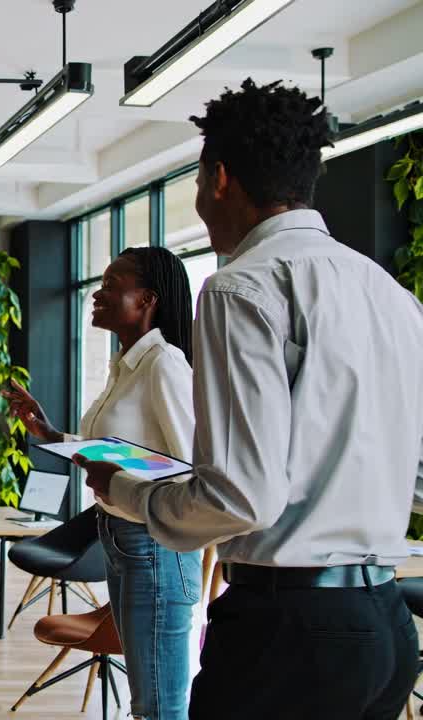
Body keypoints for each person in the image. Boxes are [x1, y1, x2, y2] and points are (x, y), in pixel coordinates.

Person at [75, 79, 423, 719]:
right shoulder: (390, 293)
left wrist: (120, 489)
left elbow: (240, 496)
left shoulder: (242, 289)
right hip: (385, 625)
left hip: (289, 631)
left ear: (220, 178)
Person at [4, 246, 199, 719]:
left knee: (158, 703)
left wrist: (126, 480)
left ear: (147, 299)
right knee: (146, 696)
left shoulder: (164, 365)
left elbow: (191, 466)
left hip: (155, 544)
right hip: (122, 538)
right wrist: (53, 436)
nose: (98, 293)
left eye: (113, 284)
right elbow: (121, 450)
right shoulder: (125, 367)